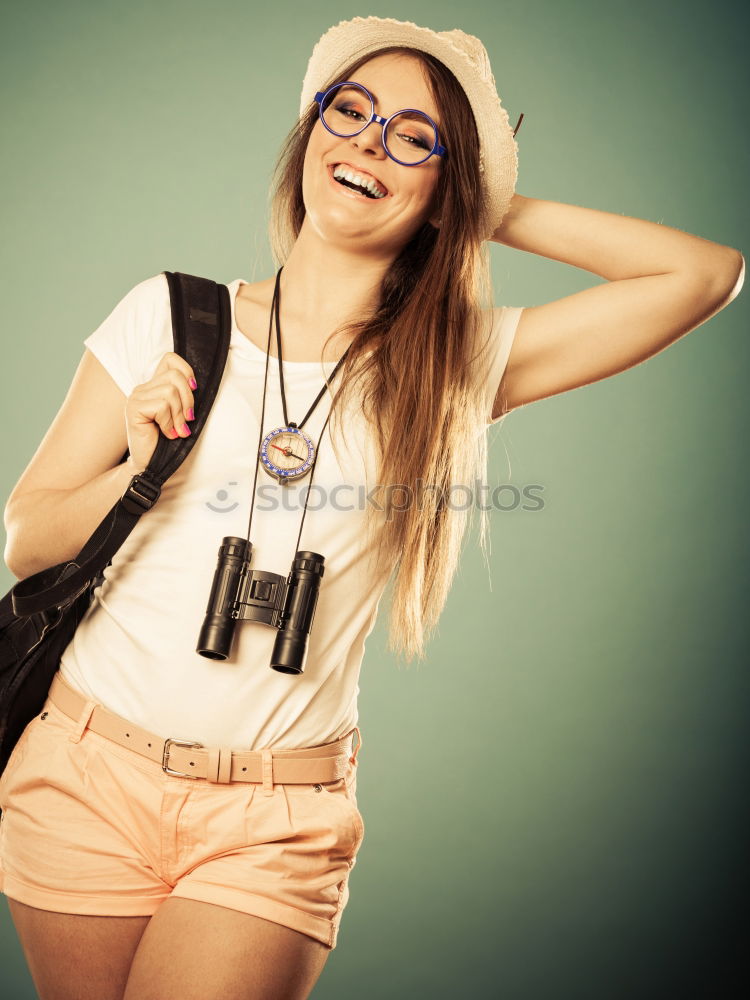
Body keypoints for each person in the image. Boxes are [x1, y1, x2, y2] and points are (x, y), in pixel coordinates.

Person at [0, 13, 743, 1000]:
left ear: (447, 188)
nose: (367, 143)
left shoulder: (451, 364)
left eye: (413, 137)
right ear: (308, 133)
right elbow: (25, 538)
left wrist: (494, 202)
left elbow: (703, 275)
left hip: (275, 819)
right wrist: (136, 470)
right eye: (348, 112)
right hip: (84, 773)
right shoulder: (168, 316)